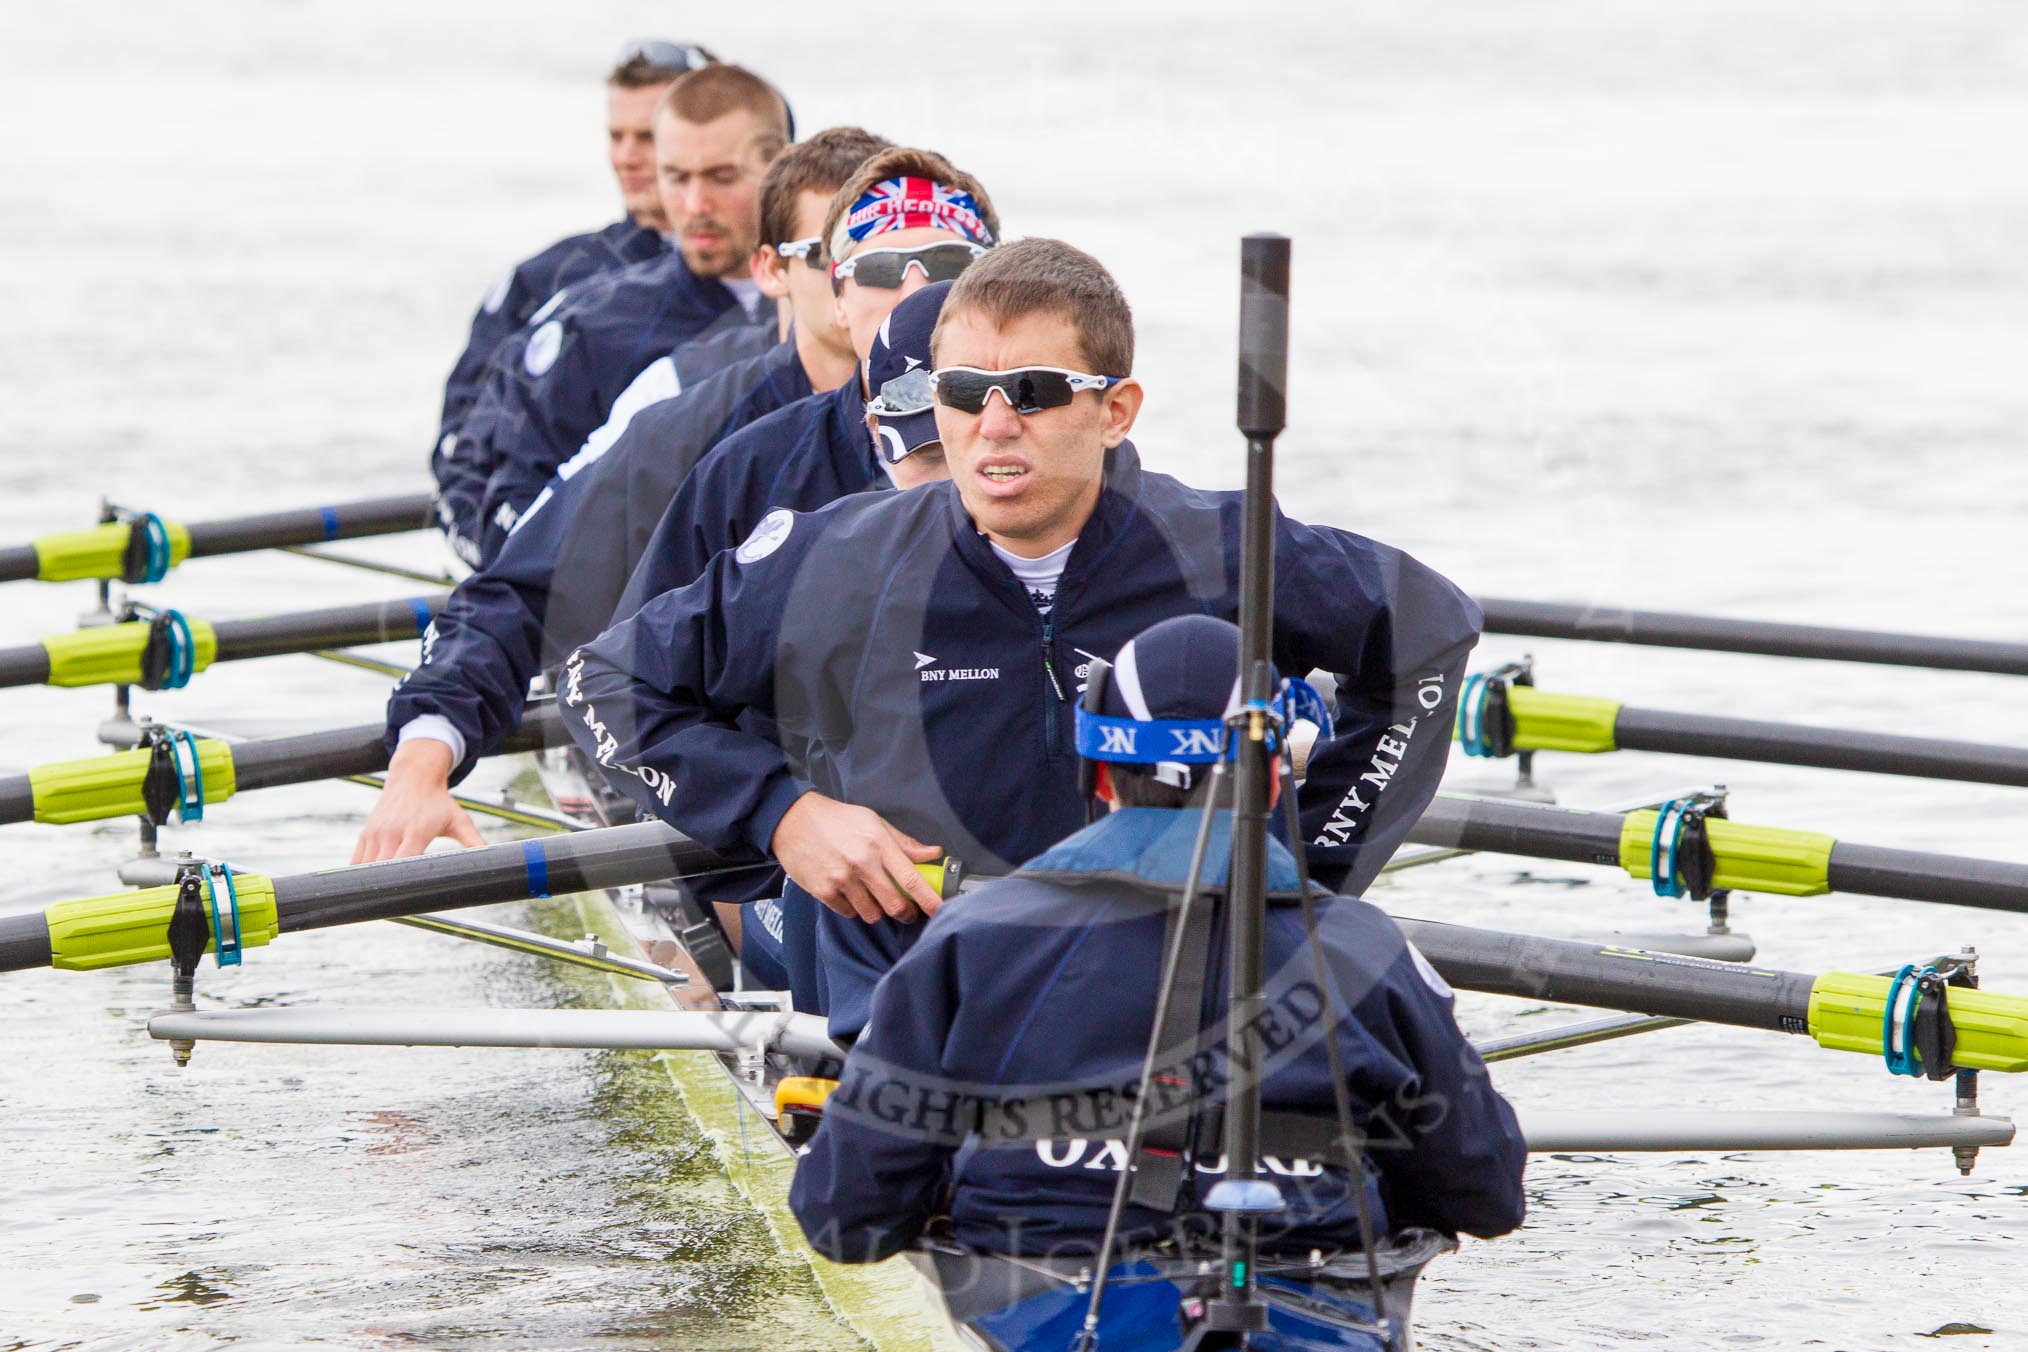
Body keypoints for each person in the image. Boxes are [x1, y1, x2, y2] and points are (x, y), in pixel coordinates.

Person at [560, 238, 1483, 1047]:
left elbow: (1430, 634)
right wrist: (784, 817)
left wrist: (1308, 867)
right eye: (964, 392)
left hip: (1174, 986)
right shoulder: (835, 557)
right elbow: (606, 682)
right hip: (925, 1002)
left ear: (1116, 409)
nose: (994, 424)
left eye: (1034, 393)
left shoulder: (1221, 546)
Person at [788, 614, 1528, 1349]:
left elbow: (845, 1219)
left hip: (1039, 1308)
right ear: (1272, 779)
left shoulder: (970, 942)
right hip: (1303, 1307)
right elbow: (1487, 1196)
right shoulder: (1366, 950)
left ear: (1100, 772)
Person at [354, 127, 893, 867]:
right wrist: (423, 755)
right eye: (837, 260)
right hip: (758, 824)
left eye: (906, 260)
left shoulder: (1000, 427)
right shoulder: (691, 424)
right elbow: (521, 592)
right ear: (771, 270)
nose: (871, 285)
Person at [612, 145, 1000, 617]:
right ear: (840, 300)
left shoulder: (1068, 449)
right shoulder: (745, 471)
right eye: (880, 270)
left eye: (947, 264)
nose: (916, 293)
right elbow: (629, 668)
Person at [437, 62, 791, 565]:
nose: (694, 204)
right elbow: (496, 491)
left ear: (779, 169)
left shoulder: (842, 301)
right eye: (676, 177)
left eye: (721, 177)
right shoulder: (593, 325)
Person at [428, 40, 713, 502]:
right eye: (616, 136)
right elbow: (461, 450)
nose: (625, 157)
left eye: (646, 137)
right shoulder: (543, 281)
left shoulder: (778, 276)